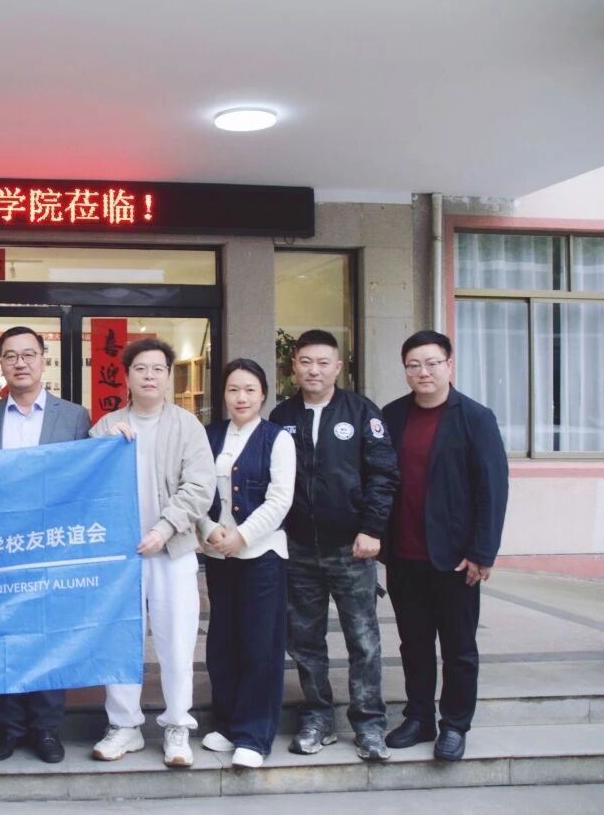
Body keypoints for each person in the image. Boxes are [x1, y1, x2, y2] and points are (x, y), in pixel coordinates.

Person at [269, 329, 399, 762]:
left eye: (323, 362)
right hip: (299, 549)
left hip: (351, 548)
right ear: (294, 366)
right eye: (306, 362)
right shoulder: (282, 415)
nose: (314, 370)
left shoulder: (361, 412)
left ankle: (370, 724)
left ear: (338, 367)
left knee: (363, 640)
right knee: (305, 642)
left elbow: (383, 475)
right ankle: (318, 718)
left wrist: (372, 528)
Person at [381, 330, 508, 762]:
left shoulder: (475, 417)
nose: (424, 372)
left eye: (432, 363)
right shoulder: (393, 416)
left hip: (455, 558)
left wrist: (482, 552)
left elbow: (493, 489)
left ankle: (454, 725)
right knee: (413, 644)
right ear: (405, 370)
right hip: (404, 555)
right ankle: (419, 718)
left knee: (458, 648)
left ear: (449, 365)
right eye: (414, 365)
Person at [88, 338, 213, 768]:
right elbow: (86, 479)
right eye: (140, 368)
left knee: (177, 643)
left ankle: (177, 724)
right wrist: (102, 444)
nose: (149, 376)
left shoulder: (187, 426)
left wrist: (164, 528)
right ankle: (125, 725)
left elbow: (200, 487)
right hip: (120, 557)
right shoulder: (107, 425)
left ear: (169, 376)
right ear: (126, 376)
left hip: (171, 551)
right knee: (120, 642)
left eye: (158, 369)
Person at [0, 325, 91, 764]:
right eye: (10, 356)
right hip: (1, 548)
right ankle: (7, 727)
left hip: (51, 545)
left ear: (44, 360)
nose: (20, 363)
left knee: (49, 636)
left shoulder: (74, 417)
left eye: (28, 354)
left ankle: (46, 729)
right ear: (0, 363)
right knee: (4, 636)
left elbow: (87, 478)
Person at [199, 359, 295, 769]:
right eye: (233, 389)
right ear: (223, 393)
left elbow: (280, 499)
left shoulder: (277, 438)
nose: (241, 397)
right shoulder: (208, 435)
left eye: (250, 390)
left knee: (260, 646)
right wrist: (209, 530)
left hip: (262, 556)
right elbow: (194, 490)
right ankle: (227, 723)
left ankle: (255, 735)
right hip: (218, 554)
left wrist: (241, 536)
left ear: (263, 394)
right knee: (223, 643)